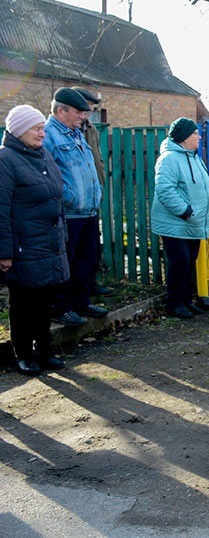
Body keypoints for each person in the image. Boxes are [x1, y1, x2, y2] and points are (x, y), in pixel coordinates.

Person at [0, 105, 71, 375]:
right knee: (22, 303)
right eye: (36, 128)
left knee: (43, 302)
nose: (42, 132)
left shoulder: (43, 156)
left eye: (42, 127)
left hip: (46, 243)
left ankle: (45, 351)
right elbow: (1, 208)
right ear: (19, 131)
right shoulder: (5, 160)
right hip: (23, 246)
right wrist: (4, 252)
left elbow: (56, 200)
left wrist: (61, 237)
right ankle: (24, 355)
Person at [44, 87, 107, 327]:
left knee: (85, 260)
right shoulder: (49, 135)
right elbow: (46, 175)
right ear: (61, 110)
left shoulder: (76, 133)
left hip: (88, 210)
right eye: (78, 112)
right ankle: (61, 307)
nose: (83, 116)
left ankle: (82, 301)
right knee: (65, 263)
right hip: (68, 213)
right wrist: (67, 196)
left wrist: (96, 193)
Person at [151, 117, 209, 319]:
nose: (198, 136)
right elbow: (165, 189)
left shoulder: (194, 157)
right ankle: (174, 304)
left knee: (189, 262)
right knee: (180, 261)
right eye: (194, 133)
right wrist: (184, 211)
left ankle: (186, 300)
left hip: (192, 221)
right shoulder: (169, 159)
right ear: (183, 138)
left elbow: (206, 185)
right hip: (176, 222)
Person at [72, 86, 114, 297]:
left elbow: (97, 158)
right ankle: (77, 290)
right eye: (87, 105)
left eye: (91, 106)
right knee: (75, 249)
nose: (89, 110)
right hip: (75, 199)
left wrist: (101, 180)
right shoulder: (67, 129)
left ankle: (91, 283)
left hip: (92, 192)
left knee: (91, 246)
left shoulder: (91, 129)